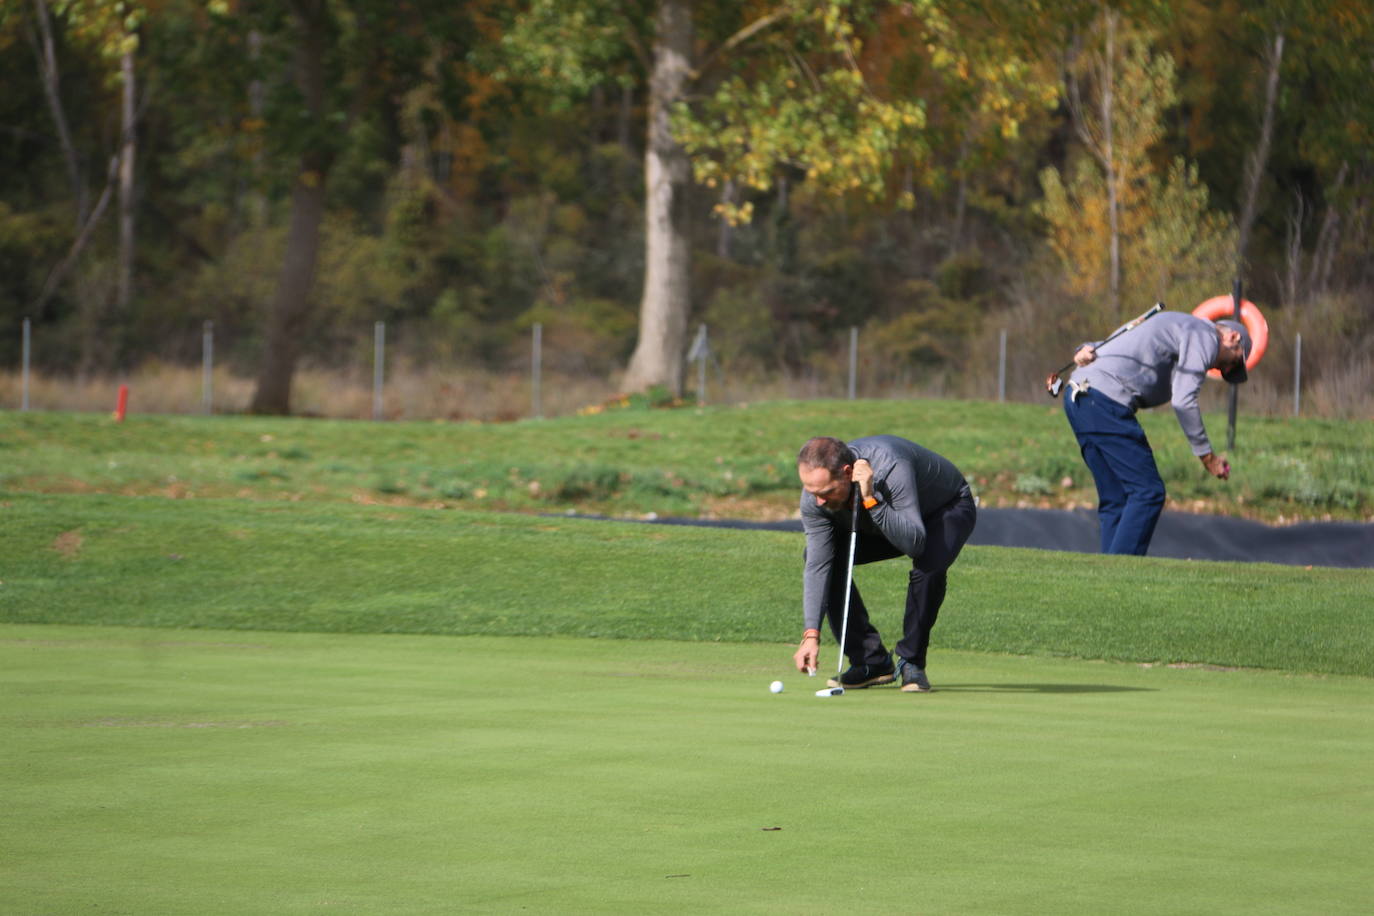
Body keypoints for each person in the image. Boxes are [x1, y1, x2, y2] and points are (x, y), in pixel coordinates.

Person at [791, 435, 977, 693]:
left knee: (929, 565)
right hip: (884, 519)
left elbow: (914, 544)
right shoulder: (815, 496)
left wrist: (870, 499)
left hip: (944, 509)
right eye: (812, 493)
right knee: (822, 557)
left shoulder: (891, 468)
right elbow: (818, 565)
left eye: (826, 492)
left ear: (847, 473)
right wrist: (811, 634)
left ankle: (912, 662)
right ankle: (871, 661)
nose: (818, 501)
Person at [1060, 310, 1251, 556]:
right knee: (1147, 492)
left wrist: (1085, 348)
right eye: (1233, 361)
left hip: (1078, 398)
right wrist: (1207, 456)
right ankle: (1119, 579)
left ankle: (1105, 581)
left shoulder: (1176, 324)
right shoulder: (1204, 335)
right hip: (1104, 402)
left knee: (1116, 499)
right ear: (1233, 337)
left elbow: (1116, 341)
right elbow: (1183, 400)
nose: (1223, 368)